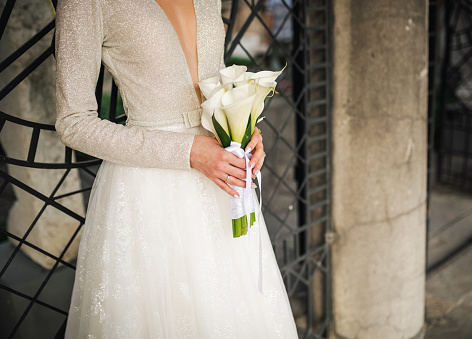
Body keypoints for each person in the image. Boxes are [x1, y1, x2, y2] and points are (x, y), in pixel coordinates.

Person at [54, 0, 298, 337]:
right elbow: (73, 123)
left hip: (220, 177)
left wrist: (243, 127)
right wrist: (188, 151)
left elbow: (213, 76)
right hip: (149, 188)